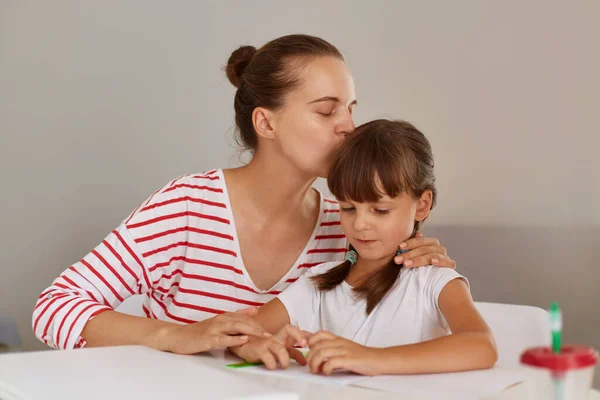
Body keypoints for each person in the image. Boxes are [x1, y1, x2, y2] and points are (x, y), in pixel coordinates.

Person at [32, 35, 455, 353]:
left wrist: (419, 264)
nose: (348, 126)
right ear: (266, 124)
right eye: (327, 110)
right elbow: (54, 307)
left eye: (351, 108)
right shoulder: (187, 208)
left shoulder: (346, 225)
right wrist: (180, 335)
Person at [230, 119, 497, 376]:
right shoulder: (317, 284)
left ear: (422, 205)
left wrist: (371, 358)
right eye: (348, 208)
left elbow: (482, 347)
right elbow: (240, 333)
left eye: (379, 210)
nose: (360, 224)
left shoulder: (434, 281)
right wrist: (253, 345)